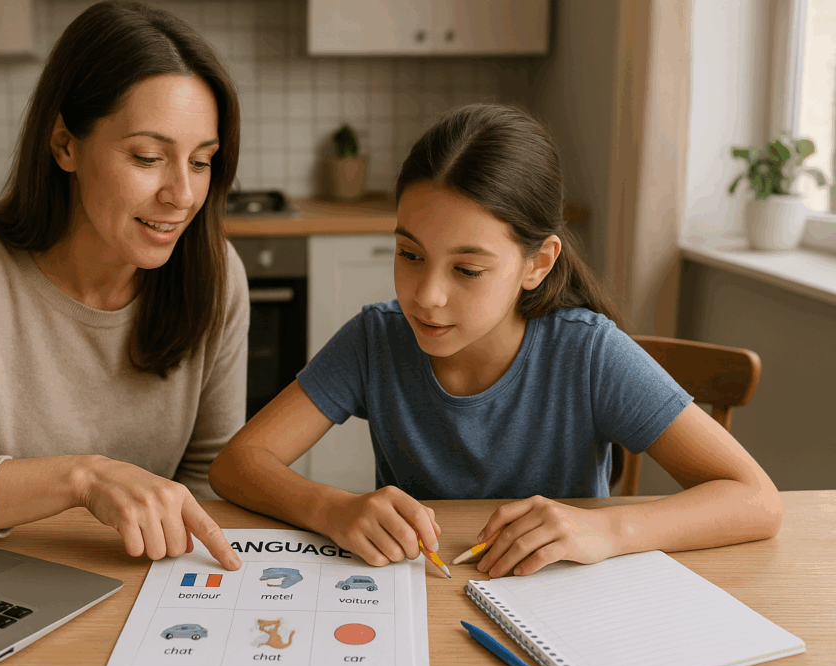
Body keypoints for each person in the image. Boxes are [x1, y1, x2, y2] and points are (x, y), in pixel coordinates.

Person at [209, 103, 783, 578]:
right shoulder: (375, 339)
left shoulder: (588, 354)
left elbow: (755, 498)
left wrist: (608, 528)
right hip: (426, 600)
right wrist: (332, 507)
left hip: (563, 604)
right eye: (410, 255)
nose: (426, 296)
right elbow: (238, 463)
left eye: (467, 270)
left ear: (537, 263)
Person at [0, 2, 244, 571]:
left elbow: (209, 478)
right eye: (148, 157)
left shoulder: (215, 271)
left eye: (202, 162)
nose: (182, 195)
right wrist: (83, 477)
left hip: (138, 577)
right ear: (65, 144)